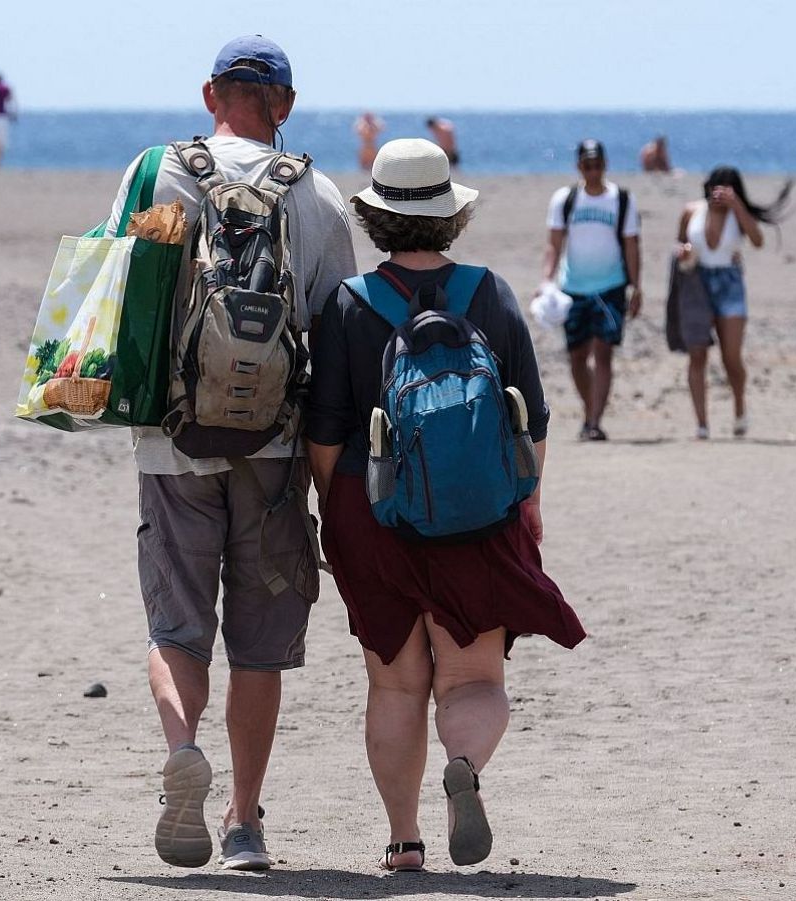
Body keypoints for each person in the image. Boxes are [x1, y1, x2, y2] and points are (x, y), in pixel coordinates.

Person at [102, 35, 356, 872]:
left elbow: (116, 294)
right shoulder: (317, 192)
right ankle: (245, 823)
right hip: (275, 448)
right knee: (259, 644)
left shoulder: (156, 170)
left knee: (178, 625)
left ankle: (183, 746)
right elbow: (334, 335)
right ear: (284, 103)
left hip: (173, 445)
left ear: (211, 93)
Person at [308, 137, 585, 873]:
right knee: (476, 681)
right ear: (449, 217)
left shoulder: (349, 304)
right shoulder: (488, 293)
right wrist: (527, 509)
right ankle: (462, 761)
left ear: (376, 218)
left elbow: (326, 433)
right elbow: (535, 421)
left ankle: (404, 840)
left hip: (374, 518)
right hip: (477, 521)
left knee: (394, 683)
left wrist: (335, 516)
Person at [676, 166, 793, 439]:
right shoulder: (691, 211)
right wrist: (682, 252)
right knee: (697, 353)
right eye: (716, 188)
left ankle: (740, 406)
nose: (720, 194)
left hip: (729, 283)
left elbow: (758, 240)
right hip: (697, 283)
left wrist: (736, 205)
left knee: (731, 355)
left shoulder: (737, 215)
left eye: (726, 188)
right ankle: (702, 424)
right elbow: (679, 243)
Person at [539, 139, 641, 441]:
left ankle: (594, 421)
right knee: (577, 355)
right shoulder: (566, 199)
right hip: (573, 288)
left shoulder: (621, 199)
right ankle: (589, 411)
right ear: (579, 166)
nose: (593, 171)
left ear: (605, 165)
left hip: (610, 286)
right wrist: (546, 280)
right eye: (587, 165)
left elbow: (632, 245)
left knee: (604, 352)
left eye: (597, 165)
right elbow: (554, 243)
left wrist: (636, 286)